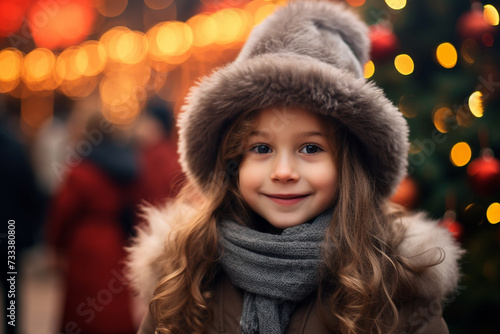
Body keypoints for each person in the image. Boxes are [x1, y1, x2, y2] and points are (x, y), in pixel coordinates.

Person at [127, 2, 464, 333]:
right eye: (261, 148)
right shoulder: (186, 274)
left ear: (347, 166)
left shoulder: (396, 288)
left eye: (310, 148)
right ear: (233, 161)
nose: (283, 171)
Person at [46, 112, 139, 334]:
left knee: (84, 309)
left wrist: (55, 246)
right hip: (115, 239)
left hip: (85, 244)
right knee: (112, 304)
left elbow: (62, 212)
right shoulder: (127, 166)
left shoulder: (80, 170)